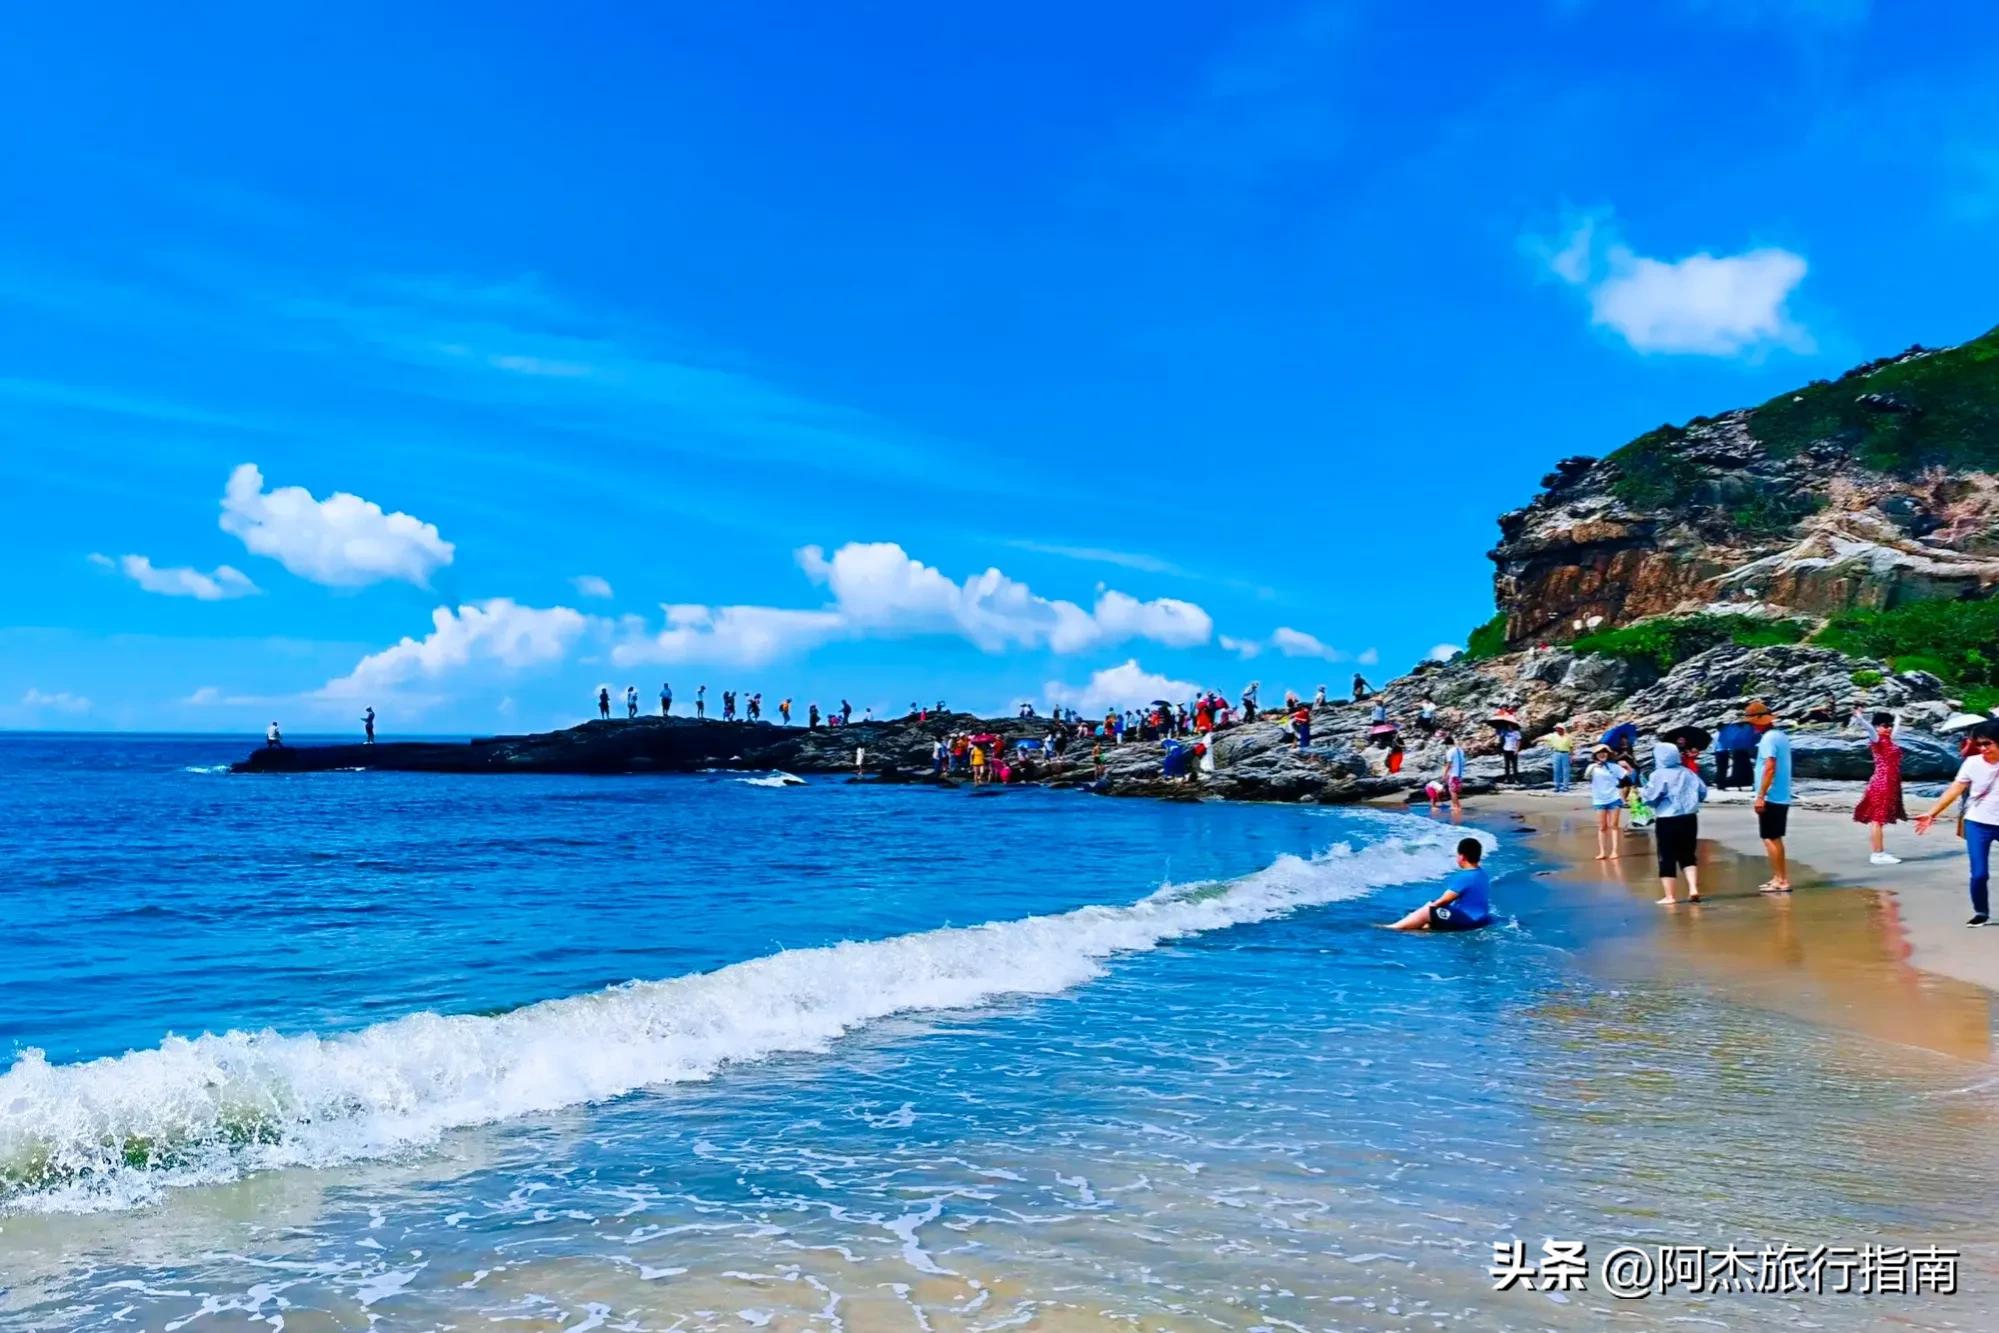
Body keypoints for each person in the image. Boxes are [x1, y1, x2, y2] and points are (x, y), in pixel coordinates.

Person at [1913, 720, 1999, 925]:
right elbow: (1954, 789)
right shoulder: (1972, 763)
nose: (1983, 748)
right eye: (1979, 744)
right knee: (1979, 874)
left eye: (1987, 743)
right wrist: (1932, 813)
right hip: (1977, 823)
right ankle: (1981, 913)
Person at [1644, 741, 1708, 905]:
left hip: (1667, 818)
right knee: (1688, 854)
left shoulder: (1658, 774)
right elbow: (1702, 791)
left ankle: (1670, 896)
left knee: (1666, 856)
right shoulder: (1688, 772)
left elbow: (1651, 797)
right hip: (1689, 817)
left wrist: (1644, 794)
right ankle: (1693, 888)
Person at [1387, 837, 1494, 931]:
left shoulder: (1465, 877)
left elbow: (1444, 900)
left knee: (1428, 910)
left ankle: (1393, 928)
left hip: (1468, 920)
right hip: (1481, 919)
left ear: (1462, 857)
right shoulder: (1482, 874)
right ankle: (1420, 928)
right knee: (1427, 919)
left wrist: (1428, 908)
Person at [1747, 700, 1793, 894]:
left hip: (1772, 796)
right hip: (1780, 794)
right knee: (1774, 837)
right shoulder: (1780, 736)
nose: (1751, 727)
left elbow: (1770, 767)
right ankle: (1778, 877)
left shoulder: (1768, 739)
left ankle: (1781, 880)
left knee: (1770, 838)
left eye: (1752, 723)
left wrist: (1761, 796)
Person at [1855, 711, 1907, 866]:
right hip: (1882, 783)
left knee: (1879, 819)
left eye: (1890, 725)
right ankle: (1877, 854)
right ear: (1877, 727)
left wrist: (1898, 719)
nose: (1889, 728)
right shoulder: (1876, 739)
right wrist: (1860, 719)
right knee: (1877, 819)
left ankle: (1879, 852)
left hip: (1891, 782)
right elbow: (1870, 729)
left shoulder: (1889, 740)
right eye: (1885, 725)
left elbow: (1895, 729)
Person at [1586, 744, 1626, 861]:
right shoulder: (1592, 767)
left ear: (1608, 754)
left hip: (1614, 798)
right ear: (1595, 755)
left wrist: (1627, 767)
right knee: (1602, 827)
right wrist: (1595, 766)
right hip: (1599, 800)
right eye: (1599, 753)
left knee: (1614, 826)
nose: (1602, 754)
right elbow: (1586, 777)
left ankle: (1615, 851)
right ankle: (1602, 852)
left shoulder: (1614, 767)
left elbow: (1627, 777)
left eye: (1604, 752)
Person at [1713, 719, 1756, 789]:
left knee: (1721, 769)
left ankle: (1720, 783)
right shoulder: (1725, 734)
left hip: (1720, 752)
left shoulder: (1715, 734)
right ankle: (1723, 783)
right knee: (1724, 769)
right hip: (1727, 752)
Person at [1439, 733, 1466, 816]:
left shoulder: (1450, 751)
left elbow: (1449, 764)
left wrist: (1444, 774)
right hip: (1460, 774)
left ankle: (1456, 806)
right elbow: (1462, 761)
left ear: (1447, 744)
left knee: (1452, 790)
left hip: (1454, 774)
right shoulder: (1460, 750)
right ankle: (1456, 805)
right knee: (1455, 790)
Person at [1546, 724, 1572, 792]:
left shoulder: (1568, 737)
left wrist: (1571, 756)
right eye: (1557, 728)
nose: (1558, 730)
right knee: (1556, 770)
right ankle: (1557, 786)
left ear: (1563, 729)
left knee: (1566, 771)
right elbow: (1545, 739)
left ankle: (1565, 786)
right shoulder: (1553, 736)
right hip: (1556, 753)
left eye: (1559, 728)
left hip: (1565, 753)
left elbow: (1571, 747)